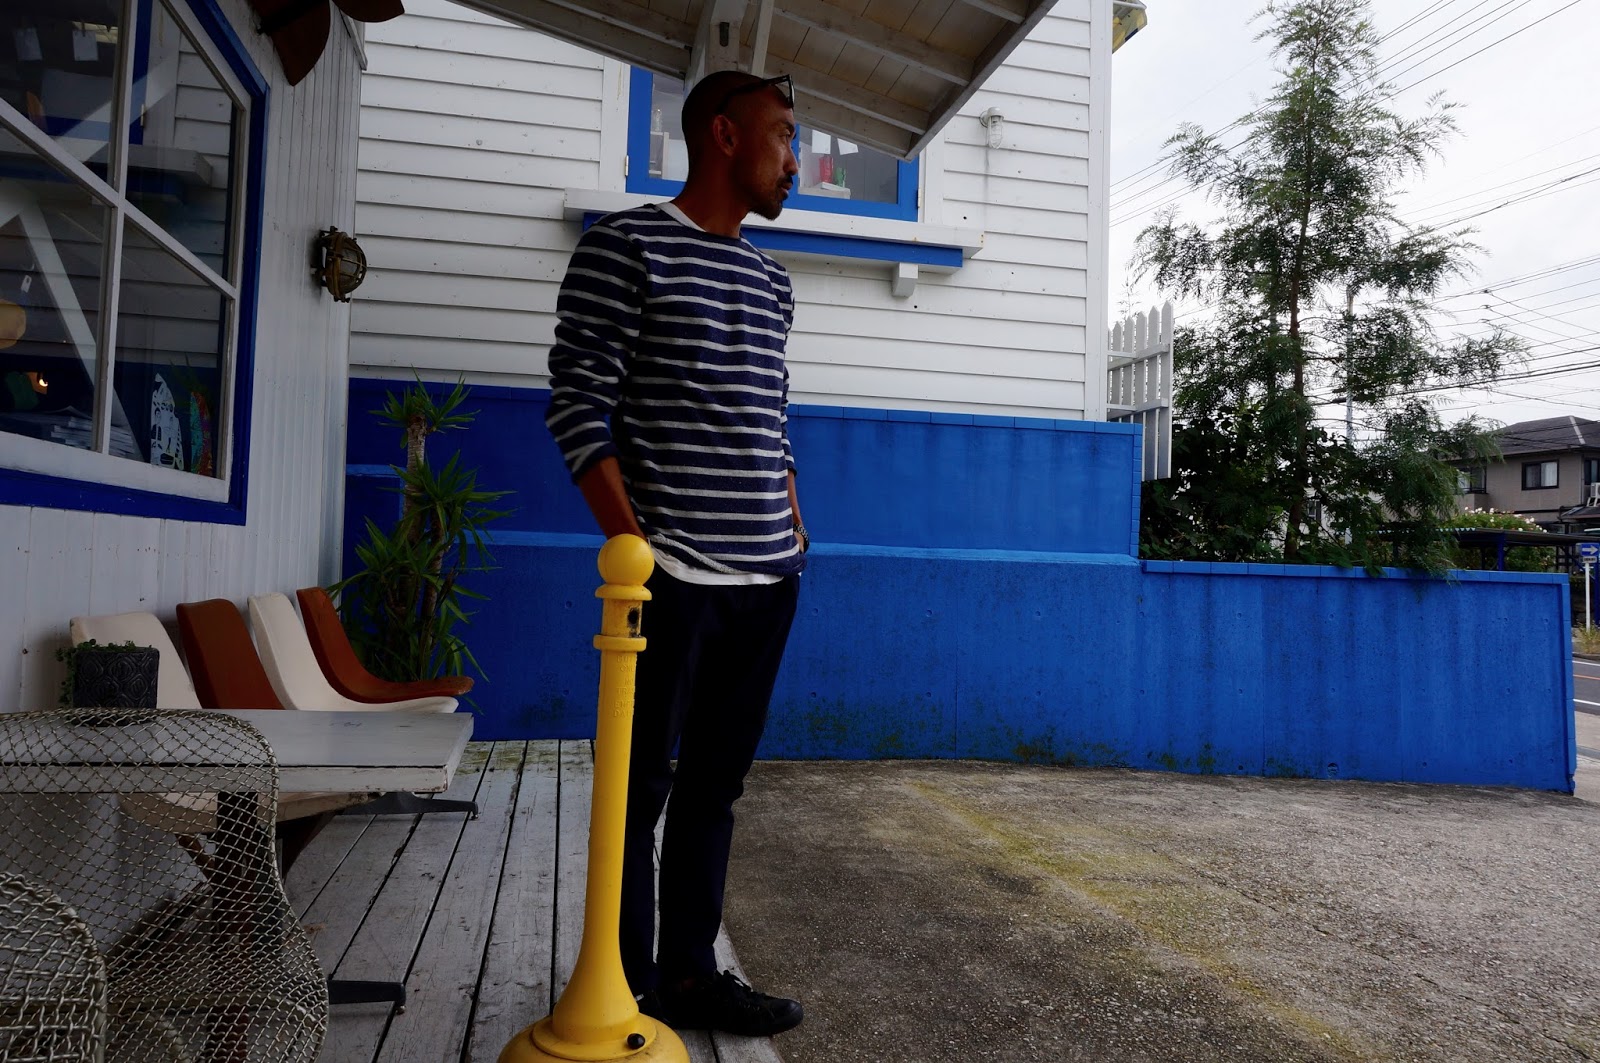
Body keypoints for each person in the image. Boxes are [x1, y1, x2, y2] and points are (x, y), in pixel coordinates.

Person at [543, 69, 808, 1038]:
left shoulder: (773, 282)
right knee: (636, 789)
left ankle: (690, 976)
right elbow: (578, 404)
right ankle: (619, 987)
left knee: (714, 790)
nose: (795, 160)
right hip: (673, 579)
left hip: (768, 580)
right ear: (725, 136)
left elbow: (770, 419)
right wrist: (635, 545)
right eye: (784, 135)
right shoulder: (627, 247)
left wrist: (794, 521)